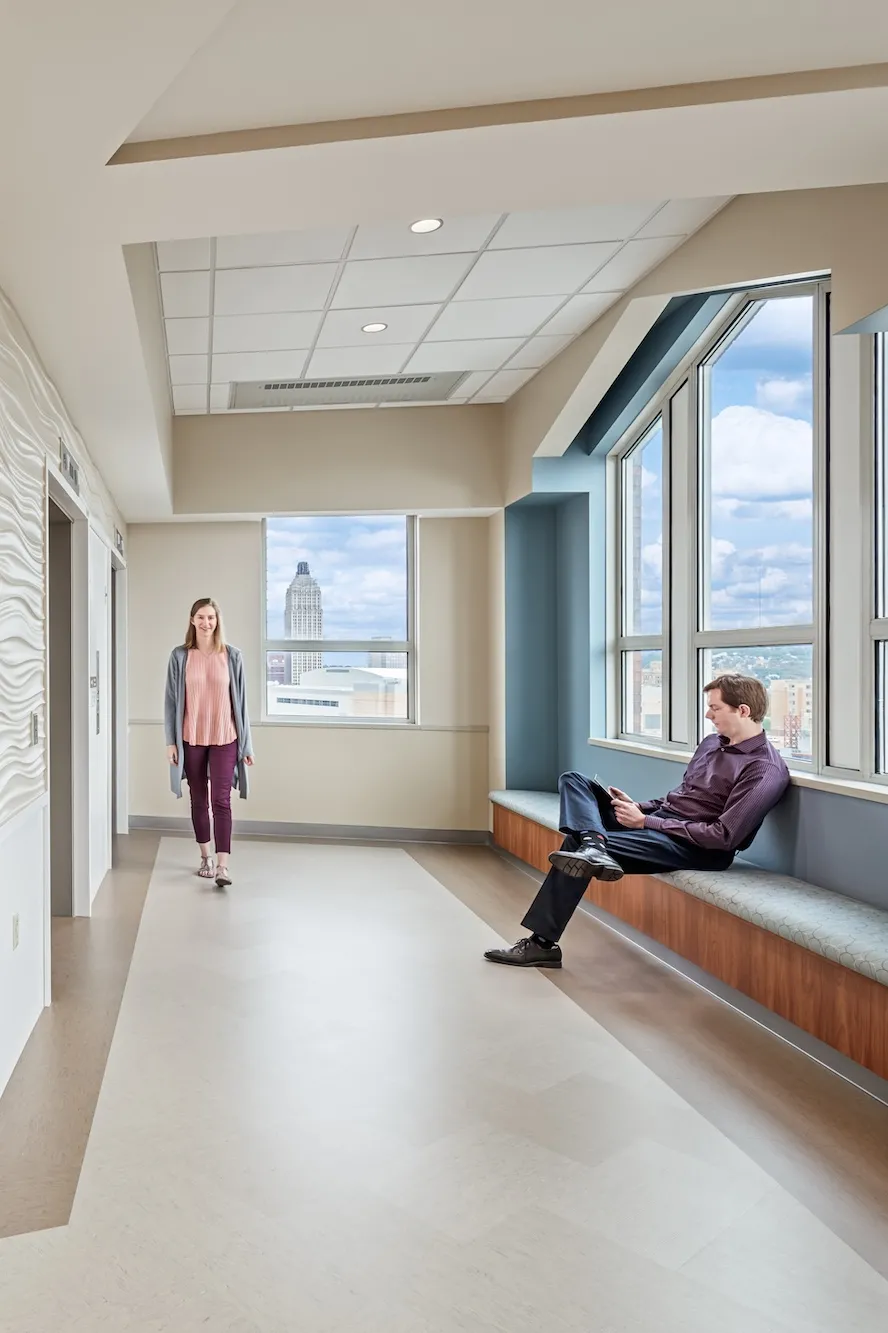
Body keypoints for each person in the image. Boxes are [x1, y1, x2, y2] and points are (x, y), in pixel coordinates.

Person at [485, 675, 790, 969]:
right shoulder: (712, 743)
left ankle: (543, 943)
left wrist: (645, 822)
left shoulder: (764, 769)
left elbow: (724, 837)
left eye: (715, 707)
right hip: (661, 822)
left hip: (697, 847)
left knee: (575, 843)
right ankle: (595, 844)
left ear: (744, 711)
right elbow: (680, 797)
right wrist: (638, 807)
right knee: (574, 780)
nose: (708, 715)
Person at [164, 598, 254, 889]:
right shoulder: (179, 656)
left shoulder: (232, 656)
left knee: (221, 800)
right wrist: (171, 742)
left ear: (218, 621)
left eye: (211, 618)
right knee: (199, 800)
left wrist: (247, 744)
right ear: (192, 620)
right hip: (191, 739)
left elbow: (241, 703)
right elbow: (171, 702)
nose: (206, 623)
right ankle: (206, 858)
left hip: (225, 738)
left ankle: (223, 866)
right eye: (201, 617)